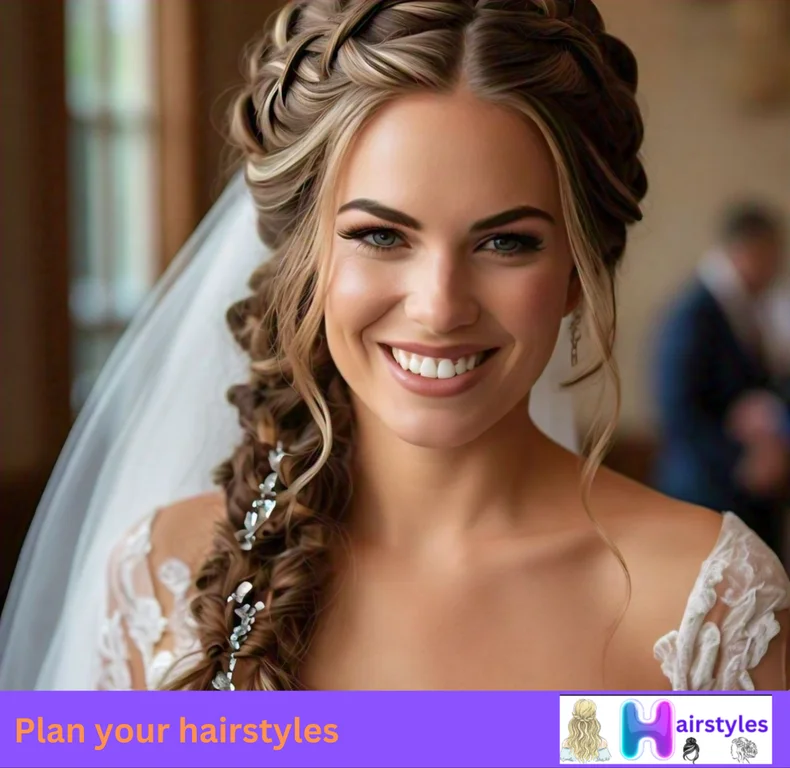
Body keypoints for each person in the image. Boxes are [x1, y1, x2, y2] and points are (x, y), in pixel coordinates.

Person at [1, 0, 789, 693]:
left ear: (581, 271)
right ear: (305, 258)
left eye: (507, 242)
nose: (440, 307)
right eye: (381, 235)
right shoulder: (159, 579)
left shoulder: (706, 604)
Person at [652, 203, 790, 558]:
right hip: (707, 494)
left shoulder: (750, 309)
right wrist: (741, 460)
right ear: (748, 250)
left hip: (750, 496)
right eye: (773, 255)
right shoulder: (693, 314)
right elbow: (677, 411)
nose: (777, 268)